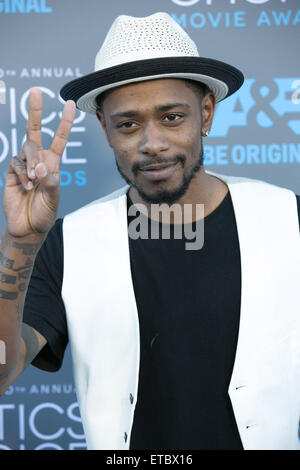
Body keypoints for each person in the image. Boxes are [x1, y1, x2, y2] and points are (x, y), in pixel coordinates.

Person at [0, 12, 299, 451]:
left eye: (172, 117)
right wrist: (20, 243)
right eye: (128, 124)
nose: (151, 143)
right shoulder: (70, 242)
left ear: (207, 113)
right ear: (105, 128)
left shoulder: (287, 219)